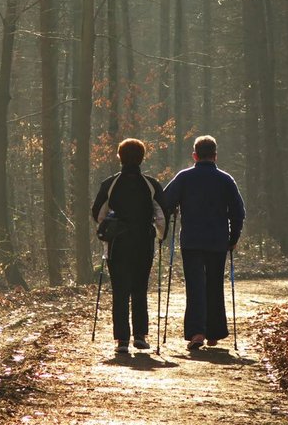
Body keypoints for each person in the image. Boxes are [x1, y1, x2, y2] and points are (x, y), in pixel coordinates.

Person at [162, 135, 245, 350]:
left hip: (191, 241)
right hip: (218, 241)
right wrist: (233, 238)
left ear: (195, 155)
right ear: (215, 156)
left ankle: (197, 332)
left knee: (195, 286)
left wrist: (171, 215)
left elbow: (165, 202)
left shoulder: (184, 177)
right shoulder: (225, 179)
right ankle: (214, 332)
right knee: (215, 285)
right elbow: (238, 212)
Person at [92, 138, 167, 354]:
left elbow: (98, 213)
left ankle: (122, 340)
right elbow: (161, 214)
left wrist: (108, 227)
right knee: (140, 289)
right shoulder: (151, 184)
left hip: (118, 244)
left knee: (120, 291)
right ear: (142, 157)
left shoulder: (110, 184)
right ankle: (140, 336)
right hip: (143, 243)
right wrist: (161, 237)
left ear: (120, 156)